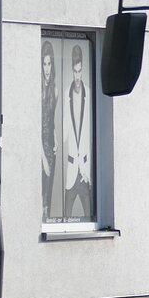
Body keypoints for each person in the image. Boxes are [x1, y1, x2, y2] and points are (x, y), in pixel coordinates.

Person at [63, 44, 93, 219]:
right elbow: (65, 132)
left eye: (80, 71)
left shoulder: (89, 93)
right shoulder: (66, 94)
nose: (77, 76)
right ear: (72, 71)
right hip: (71, 170)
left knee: (89, 217)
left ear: (83, 70)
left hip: (85, 172)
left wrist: (88, 172)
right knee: (66, 219)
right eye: (75, 71)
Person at [41, 40, 58, 219]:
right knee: (40, 196)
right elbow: (37, 124)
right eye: (44, 63)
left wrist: (56, 138)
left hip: (51, 148)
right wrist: (43, 158)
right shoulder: (38, 90)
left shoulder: (55, 90)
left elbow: (51, 119)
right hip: (40, 149)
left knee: (48, 199)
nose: (47, 68)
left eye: (49, 63)